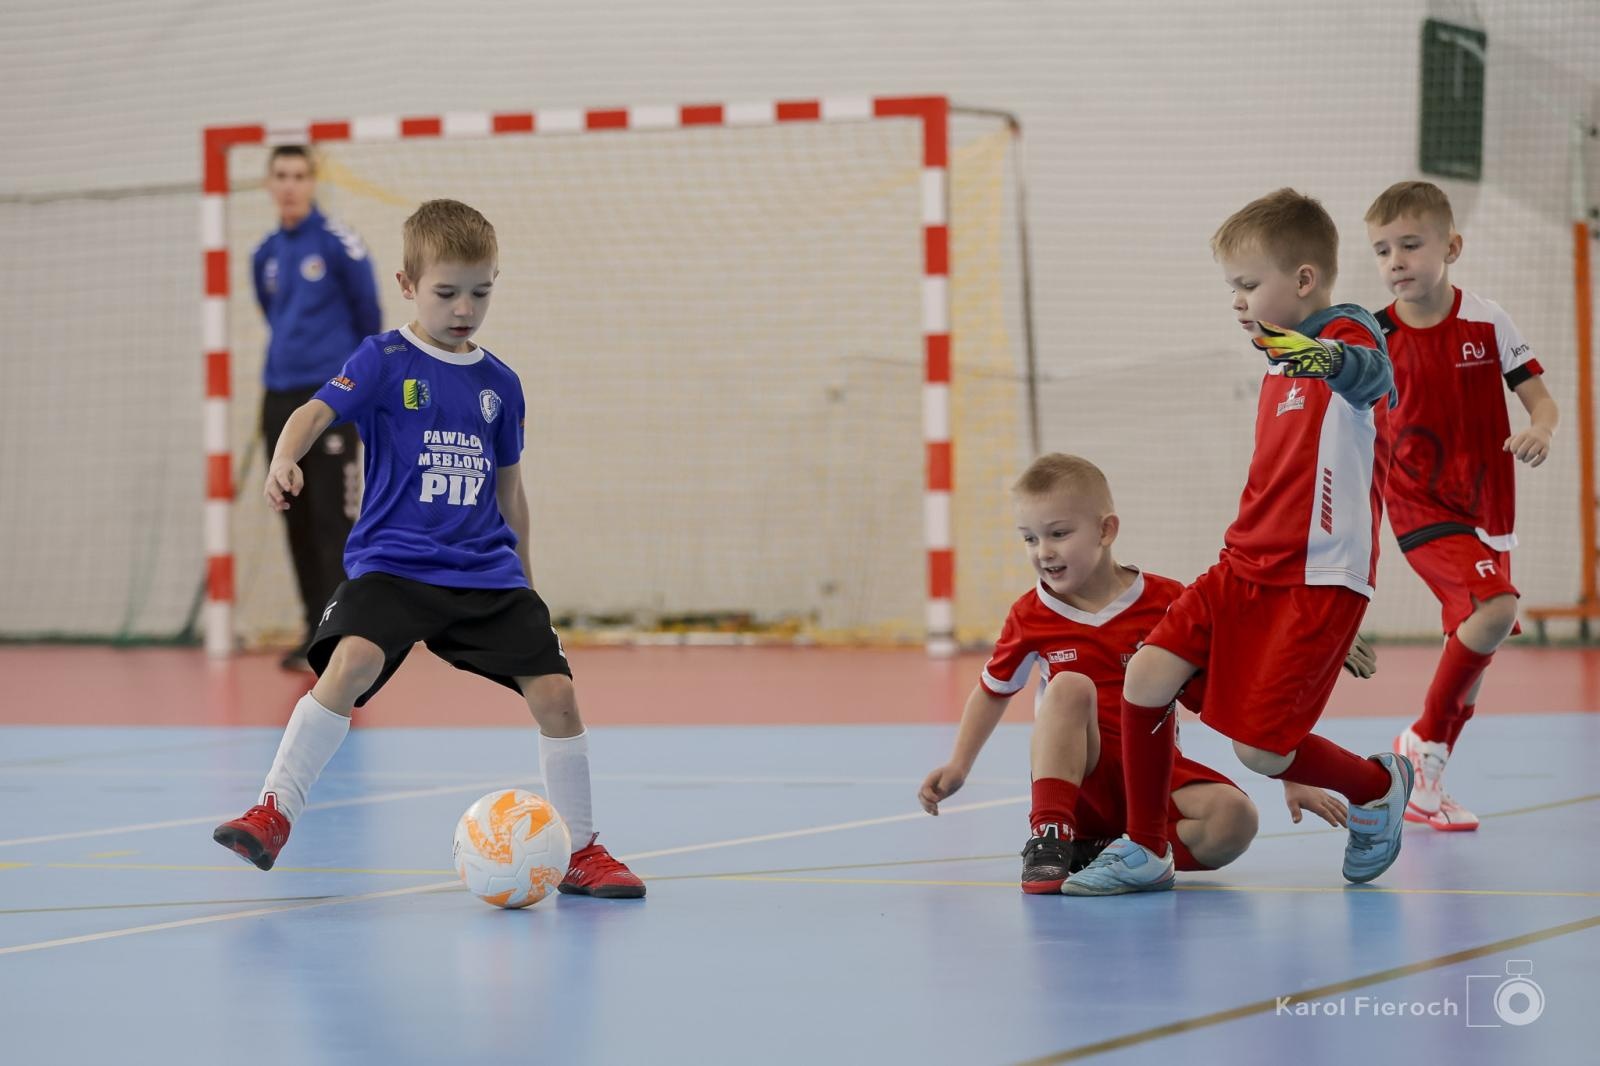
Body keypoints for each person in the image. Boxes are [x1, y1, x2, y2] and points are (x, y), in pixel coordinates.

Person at [215, 199, 644, 898]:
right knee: (350, 660)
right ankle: (273, 811)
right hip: (394, 564)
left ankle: (584, 852)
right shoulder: (382, 359)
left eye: (482, 291)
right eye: (447, 292)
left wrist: (528, 588)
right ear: (409, 285)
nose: (465, 308)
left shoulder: (500, 385)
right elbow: (313, 411)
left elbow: (512, 495)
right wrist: (283, 458)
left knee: (559, 695)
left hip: (484, 573)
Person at [1063, 188, 1413, 896]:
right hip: (1240, 567)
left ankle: (1378, 785)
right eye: (1232, 287)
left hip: (1313, 582)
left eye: (1248, 284)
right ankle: (1147, 845)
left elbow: (1371, 376)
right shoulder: (1279, 366)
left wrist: (1321, 357)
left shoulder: (1345, 338)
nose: (1237, 300)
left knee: (1263, 751)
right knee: (1147, 675)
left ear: (1304, 279)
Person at [918, 454, 1354, 893]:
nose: (1043, 551)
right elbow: (993, 691)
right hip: (1081, 779)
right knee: (1069, 687)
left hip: (1155, 771)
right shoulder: (1031, 614)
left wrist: (1290, 776)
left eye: (1059, 534)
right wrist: (958, 765)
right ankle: (1051, 835)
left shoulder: (1170, 601)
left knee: (1237, 820)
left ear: (1106, 530)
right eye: (1030, 538)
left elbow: (1236, 690)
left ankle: (1120, 853)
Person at [1365, 180, 1558, 831]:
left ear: (1451, 245)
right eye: (1382, 249)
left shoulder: (1487, 319)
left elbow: (1542, 401)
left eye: (1410, 245)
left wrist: (1540, 430)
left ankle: (1425, 785)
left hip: (1490, 510)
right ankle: (1418, 739)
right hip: (1419, 507)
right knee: (1495, 610)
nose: (1395, 261)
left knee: (1475, 646)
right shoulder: (1373, 335)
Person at [252, 145, 382, 670]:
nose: (289, 185)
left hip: (328, 398)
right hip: (278, 396)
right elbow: (272, 313)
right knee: (295, 517)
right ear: (269, 183)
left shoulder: (337, 245)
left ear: (313, 182)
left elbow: (368, 311)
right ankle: (313, 631)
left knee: (335, 519)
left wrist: (356, 389)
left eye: (299, 176)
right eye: (280, 175)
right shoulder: (263, 253)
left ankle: (341, 637)